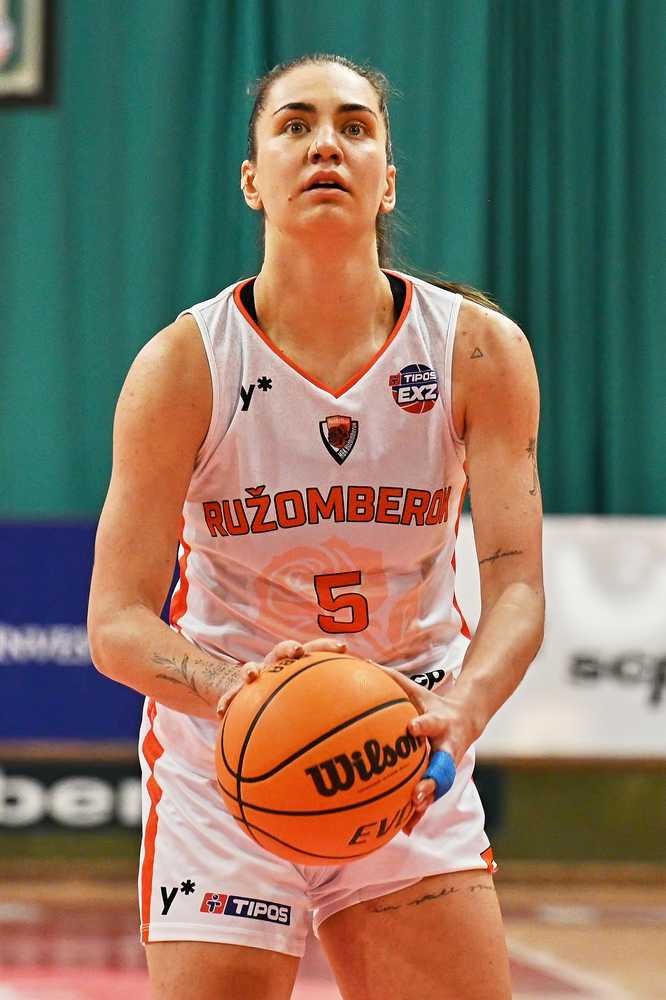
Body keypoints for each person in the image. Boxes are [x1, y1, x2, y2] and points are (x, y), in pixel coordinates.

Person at [88, 53, 544, 1000]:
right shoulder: (185, 366)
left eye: (354, 126)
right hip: (230, 758)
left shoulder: (476, 351)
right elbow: (115, 623)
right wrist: (240, 692)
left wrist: (463, 708)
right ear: (253, 180)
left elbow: (518, 588)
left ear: (388, 180)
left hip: (403, 749)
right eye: (294, 125)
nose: (325, 144)